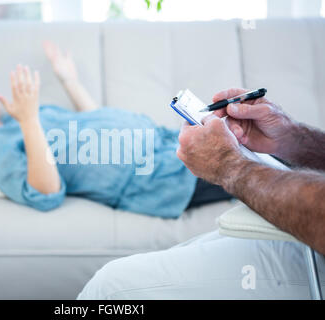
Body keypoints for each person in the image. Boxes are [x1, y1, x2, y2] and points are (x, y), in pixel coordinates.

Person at [0, 41, 233, 218]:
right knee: (258, 167)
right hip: (159, 177)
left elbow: (95, 122)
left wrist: (69, 80)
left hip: (163, 143)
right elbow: (46, 194)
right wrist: (28, 120)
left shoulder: (13, 118)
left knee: (250, 137)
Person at [77, 88, 325, 299]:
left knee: (109, 289)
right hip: (300, 234)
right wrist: (294, 139)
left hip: (314, 251)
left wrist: (229, 165)